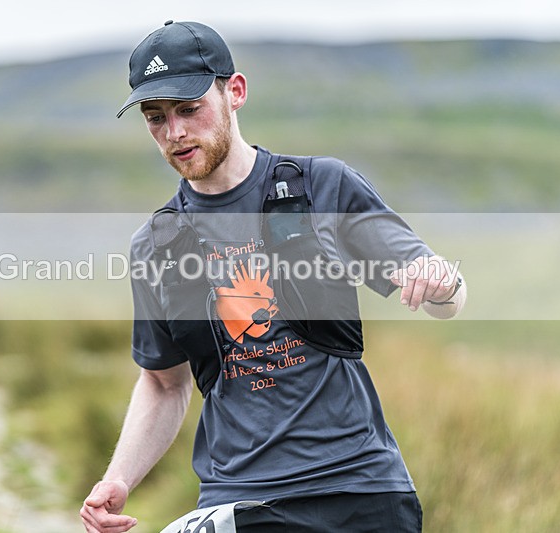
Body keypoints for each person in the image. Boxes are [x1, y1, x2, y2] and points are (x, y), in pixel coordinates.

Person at [81, 20, 467, 532]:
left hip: (360, 492)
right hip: (241, 504)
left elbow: (445, 294)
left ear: (234, 92)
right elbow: (163, 384)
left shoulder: (324, 187)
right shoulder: (155, 247)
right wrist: (119, 477)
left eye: (189, 109)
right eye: (156, 118)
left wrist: (442, 282)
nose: (174, 133)